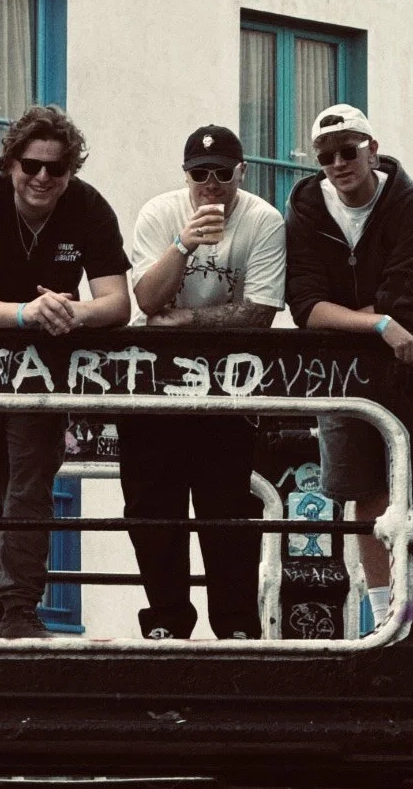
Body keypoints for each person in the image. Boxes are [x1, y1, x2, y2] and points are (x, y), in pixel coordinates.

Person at [0, 104, 130, 639]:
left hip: (44, 368)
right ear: (10, 164)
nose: (43, 177)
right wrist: (25, 312)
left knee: (30, 483)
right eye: (31, 165)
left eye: (57, 168)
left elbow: (118, 302)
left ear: (71, 171)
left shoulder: (88, 206)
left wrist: (74, 313)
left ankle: (20, 609)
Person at [120, 124, 286, 640]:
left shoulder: (263, 219)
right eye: (199, 174)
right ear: (185, 175)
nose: (210, 184)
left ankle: (235, 627)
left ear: (242, 172)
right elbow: (148, 300)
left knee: (227, 508)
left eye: (222, 173)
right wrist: (183, 244)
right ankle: (166, 620)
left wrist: (189, 320)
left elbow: (260, 313)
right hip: (156, 381)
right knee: (152, 507)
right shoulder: (160, 213)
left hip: (227, 383)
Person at [286, 104, 413, 631]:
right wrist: (377, 323)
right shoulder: (306, 208)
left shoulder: (407, 203)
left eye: (348, 150)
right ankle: (385, 621)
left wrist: (360, 318)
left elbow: (409, 297)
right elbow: (305, 305)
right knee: (365, 492)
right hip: (344, 368)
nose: (338, 163)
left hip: (410, 361)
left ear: (372, 150)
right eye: (325, 156)